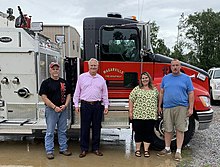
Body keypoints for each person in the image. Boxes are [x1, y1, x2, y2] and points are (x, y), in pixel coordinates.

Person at [157, 59, 194, 161]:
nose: (175, 67)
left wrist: (191, 107)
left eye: (177, 65)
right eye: (173, 65)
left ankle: (178, 151)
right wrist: (159, 106)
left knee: (180, 129)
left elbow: (191, 93)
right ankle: (167, 148)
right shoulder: (166, 78)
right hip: (167, 107)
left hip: (181, 107)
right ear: (170, 67)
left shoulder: (186, 79)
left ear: (180, 67)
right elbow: (161, 92)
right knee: (167, 129)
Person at [73, 58, 109, 158]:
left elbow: (105, 94)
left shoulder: (101, 79)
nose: (93, 67)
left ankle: (96, 148)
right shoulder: (82, 77)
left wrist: (106, 105)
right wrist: (76, 104)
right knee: (84, 128)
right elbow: (77, 92)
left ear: (98, 67)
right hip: (85, 105)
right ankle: (84, 149)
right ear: (88, 66)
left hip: (97, 105)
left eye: (95, 66)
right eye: (91, 65)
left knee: (97, 128)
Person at [39, 62, 72, 160]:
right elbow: (44, 97)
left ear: (59, 70)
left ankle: (63, 148)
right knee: (50, 132)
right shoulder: (46, 83)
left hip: (62, 110)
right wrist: (54, 107)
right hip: (51, 110)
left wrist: (65, 105)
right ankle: (49, 151)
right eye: (53, 69)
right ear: (50, 70)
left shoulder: (64, 82)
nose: (55, 71)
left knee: (62, 131)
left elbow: (69, 94)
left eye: (57, 69)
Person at [129, 72, 158, 158]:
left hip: (151, 115)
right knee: (138, 132)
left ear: (149, 79)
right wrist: (130, 111)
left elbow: (159, 99)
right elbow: (131, 99)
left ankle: (146, 150)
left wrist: (158, 108)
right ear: (141, 80)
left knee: (148, 133)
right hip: (138, 115)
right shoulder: (136, 89)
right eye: (143, 78)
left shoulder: (154, 89)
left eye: (146, 78)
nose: (145, 79)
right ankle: (137, 150)